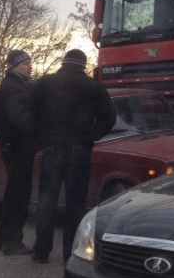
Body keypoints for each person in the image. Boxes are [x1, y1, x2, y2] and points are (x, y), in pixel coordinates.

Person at [30, 49, 116, 264]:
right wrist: (91, 137)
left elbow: (31, 113)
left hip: (51, 147)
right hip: (79, 150)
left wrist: (41, 138)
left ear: (63, 62)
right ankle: (71, 254)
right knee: (75, 205)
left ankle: (41, 251)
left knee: (46, 202)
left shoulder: (45, 83)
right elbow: (109, 118)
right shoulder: (93, 88)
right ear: (83, 64)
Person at [0, 50, 36, 256]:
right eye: (25, 63)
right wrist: (40, 130)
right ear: (13, 66)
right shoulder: (12, 88)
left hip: (16, 146)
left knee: (13, 194)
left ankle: (3, 238)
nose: (30, 66)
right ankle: (12, 241)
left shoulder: (18, 85)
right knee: (18, 196)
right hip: (17, 147)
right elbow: (19, 120)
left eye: (30, 62)